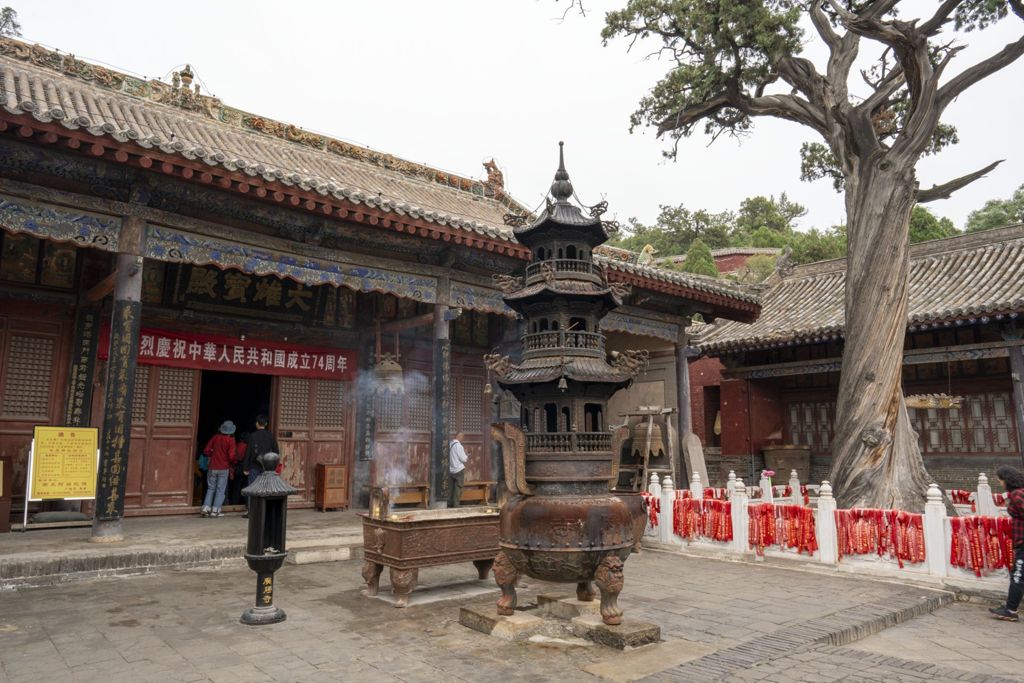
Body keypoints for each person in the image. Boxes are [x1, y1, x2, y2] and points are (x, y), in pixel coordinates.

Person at [990, 465, 1024, 621]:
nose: (1000, 483)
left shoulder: (1017, 495)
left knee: (1017, 577)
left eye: (1000, 480)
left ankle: (1010, 610)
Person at [242, 415, 280, 518]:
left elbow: (248, 453)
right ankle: (265, 510)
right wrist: (274, 465)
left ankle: (251, 511)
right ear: (266, 424)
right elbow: (276, 452)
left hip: (254, 466)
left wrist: (245, 468)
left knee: (252, 488)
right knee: (266, 488)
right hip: (267, 467)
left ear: (257, 424)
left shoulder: (252, 436)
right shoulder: (271, 436)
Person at [201, 420, 237, 518]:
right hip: (223, 467)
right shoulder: (231, 440)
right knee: (220, 489)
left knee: (211, 488)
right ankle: (215, 510)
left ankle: (206, 507)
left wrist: (213, 454)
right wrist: (234, 462)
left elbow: (206, 450)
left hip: (212, 467)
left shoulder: (215, 437)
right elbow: (231, 456)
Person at [448, 431, 467, 508]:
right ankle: (456, 504)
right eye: (462, 437)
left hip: (451, 469)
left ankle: (449, 503)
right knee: (458, 487)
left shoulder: (450, 444)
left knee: (450, 487)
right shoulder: (459, 446)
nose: (463, 439)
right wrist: (466, 455)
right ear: (459, 437)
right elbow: (464, 459)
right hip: (458, 469)